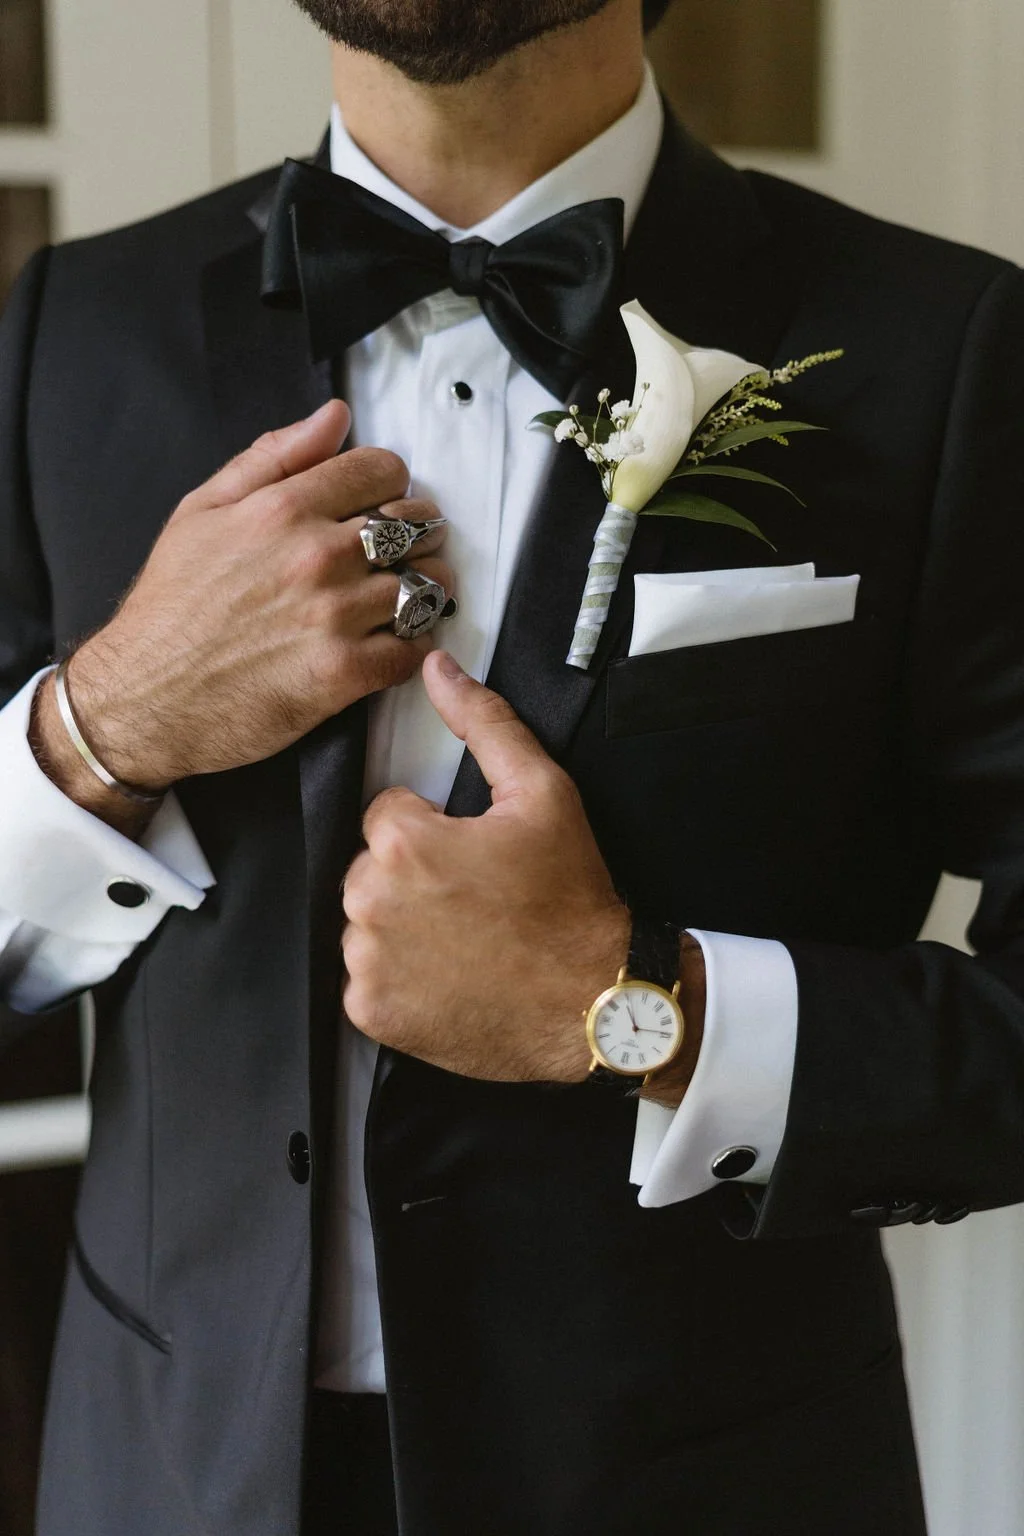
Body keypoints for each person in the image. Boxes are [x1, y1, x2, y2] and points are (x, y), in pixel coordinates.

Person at [1, 0, 1022, 1530]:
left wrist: (632, 1013)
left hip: (704, 1480)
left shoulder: (949, 347)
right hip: (162, 1466)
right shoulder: (63, 325)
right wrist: (108, 724)